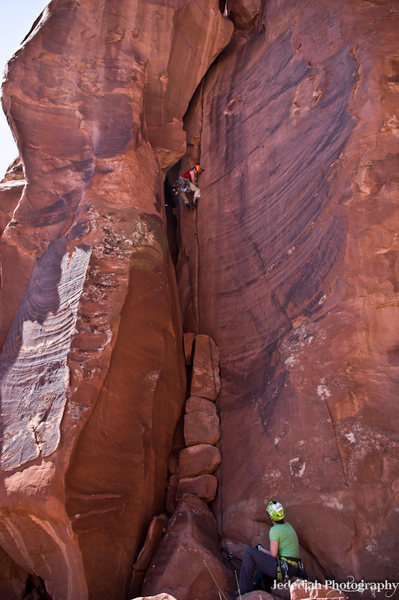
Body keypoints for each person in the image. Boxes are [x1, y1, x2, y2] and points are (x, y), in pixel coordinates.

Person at [235, 500, 304, 596]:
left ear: (271, 516)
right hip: (292, 567)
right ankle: (259, 587)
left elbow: (273, 555)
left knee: (249, 552)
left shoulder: (275, 530)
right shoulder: (288, 526)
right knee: (263, 564)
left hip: (284, 569)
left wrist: (260, 549)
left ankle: (244, 589)